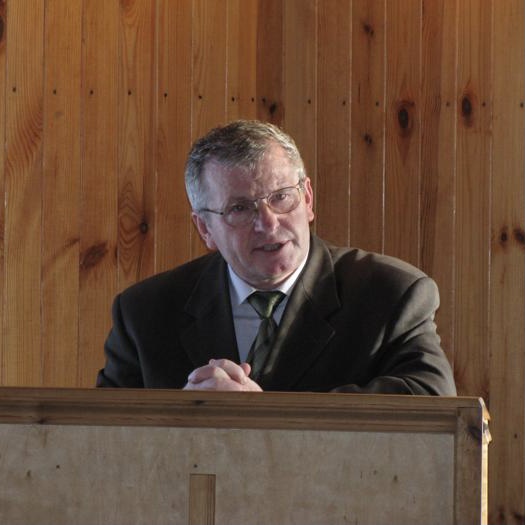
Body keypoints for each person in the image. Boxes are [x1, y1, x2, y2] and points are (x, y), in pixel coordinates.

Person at [96, 120, 456, 395]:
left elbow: (431, 407)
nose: (268, 223)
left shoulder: (390, 294)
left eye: (281, 197)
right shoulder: (145, 314)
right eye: (240, 208)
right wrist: (184, 418)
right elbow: (104, 438)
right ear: (205, 228)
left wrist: (269, 417)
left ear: (308, 199)